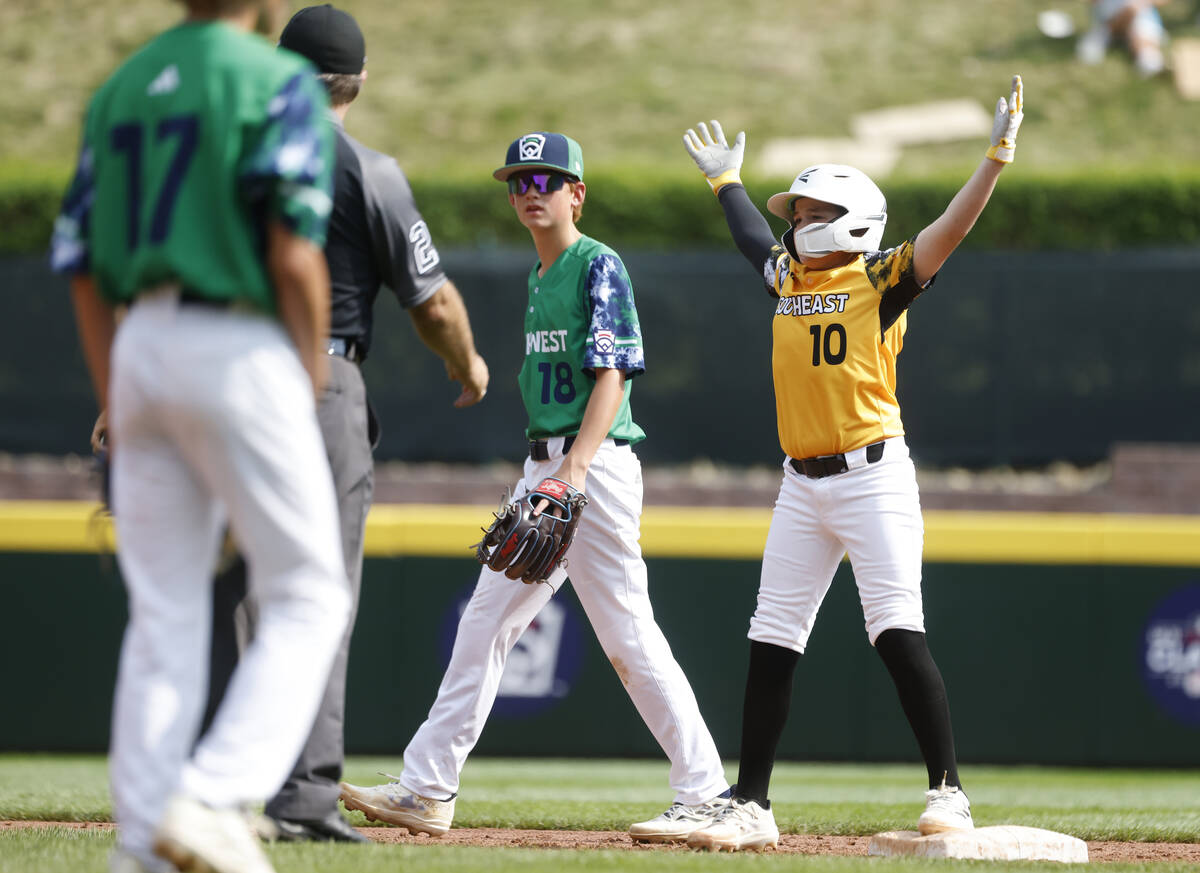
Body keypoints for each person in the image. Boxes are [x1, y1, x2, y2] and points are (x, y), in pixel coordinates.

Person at [338, 131, 732, 844]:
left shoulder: (596, 265)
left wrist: (573, 470)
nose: (528, 192)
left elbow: (614, 374)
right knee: (486, 624)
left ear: (577, 192)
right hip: (548, 468)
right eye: (517, 182)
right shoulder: (538, 276)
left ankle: (705, 790)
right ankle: (427, 787)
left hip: (592, 467)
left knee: (628, 636)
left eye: (545, 180)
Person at [676, 76, 1024, 852]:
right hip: (801, 482)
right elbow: (746, 239)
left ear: (850, 221)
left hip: (872, 476)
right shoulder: (791, 278)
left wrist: (995, 158)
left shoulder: (879, 280)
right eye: (796, 214)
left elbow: (950, 231)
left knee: (897, 628)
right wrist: (725, 181)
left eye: (809, 212)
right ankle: (752, 800)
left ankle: (949, 790)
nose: (796, 223)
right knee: (772, 636)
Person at [51, 1, 352, 872]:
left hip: (140, 338)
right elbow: (295, 254)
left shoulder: (121, 86)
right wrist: (307, 378)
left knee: (163, 616)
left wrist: (121, 393)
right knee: (308, 591)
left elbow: (77, 268)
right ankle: (216, 791)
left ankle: (142, 845)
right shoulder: (274, 78)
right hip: (238, 342)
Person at [190, 3, 490, 846]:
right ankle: (304, 795)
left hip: (215, 371)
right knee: (319, 596)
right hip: (318, 377)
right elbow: (431, 302)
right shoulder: (368, 169)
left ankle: (211, 787)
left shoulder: (227, 159)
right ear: (357, 82)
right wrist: (465, 364)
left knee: (227, 591)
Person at [1077, 0, 1170, 76]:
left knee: (1137, 14)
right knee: (1131, 9)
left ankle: (1148, 57)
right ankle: (1104, 34)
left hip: (1143, 15)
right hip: (1109, 10)